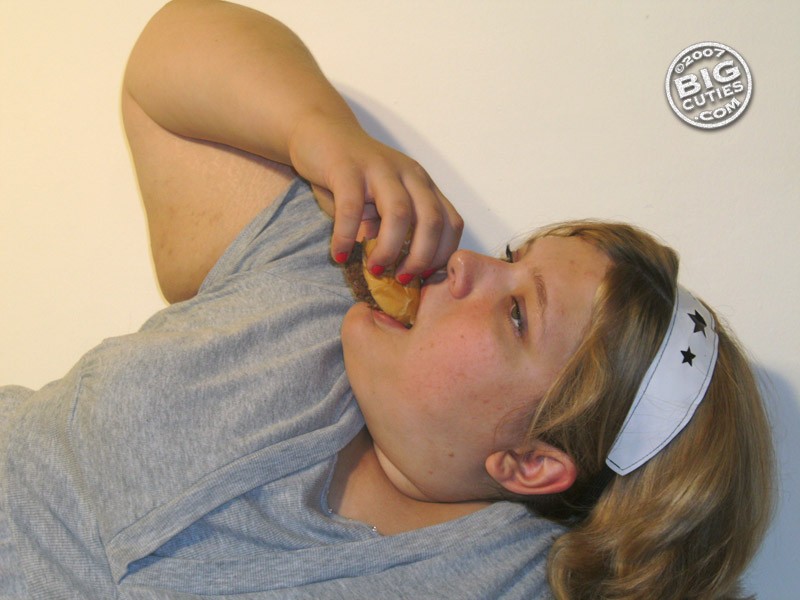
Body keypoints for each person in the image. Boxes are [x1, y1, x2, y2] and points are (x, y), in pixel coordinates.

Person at [0, 1, 774, 598]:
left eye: (517, 313)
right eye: (511, 259)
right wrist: (318, 132)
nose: (466, 264)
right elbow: (165, 62)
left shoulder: (501, 581)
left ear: (531, 463)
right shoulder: (322, 272)